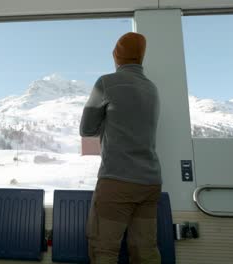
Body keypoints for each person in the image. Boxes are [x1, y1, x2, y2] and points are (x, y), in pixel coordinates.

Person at [80, 32, 162, 264]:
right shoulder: (152, 88)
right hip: (150, 182)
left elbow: (86, 129)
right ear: (141, 57)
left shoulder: (106, 83)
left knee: (103, 250)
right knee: (145, 250)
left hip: (117, 180)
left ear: (116, 55)